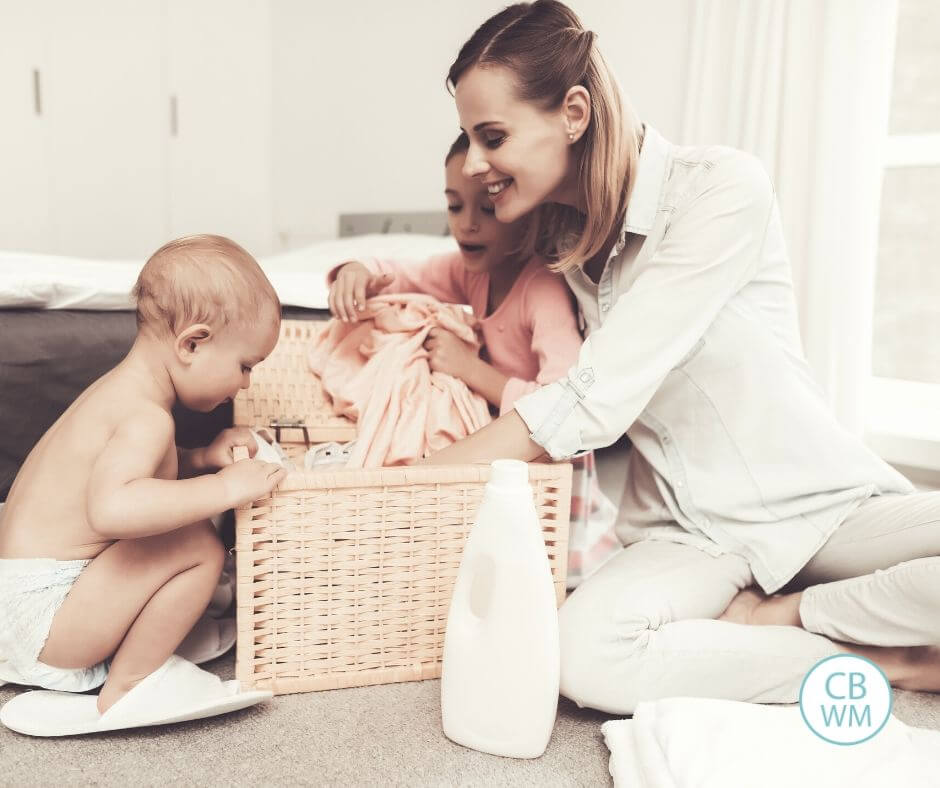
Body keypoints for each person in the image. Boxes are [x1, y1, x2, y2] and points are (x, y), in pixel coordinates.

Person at [428, 0, 940, 713]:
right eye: (468, 139)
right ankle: (889, 660)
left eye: (492, 136)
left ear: (573, 113)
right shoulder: (553, 243)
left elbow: (595, 397)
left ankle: (786, 615)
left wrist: (418, 479)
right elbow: (450, 271)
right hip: (687, 529)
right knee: (582, 657)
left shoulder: (719, 190)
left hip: (819, 502)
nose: (476, 164)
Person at [0, 234, 286, 714]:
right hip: (44, 620)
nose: (245, 383)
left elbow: (127, 472)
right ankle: (132, 684)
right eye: (244, 366)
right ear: (192, 343)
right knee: (197, 545)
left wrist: (196, 458)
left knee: (177, 526)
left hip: (21, 604)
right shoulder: (146, 418)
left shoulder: (118, 395)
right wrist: (222, 486)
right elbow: (114, 509)